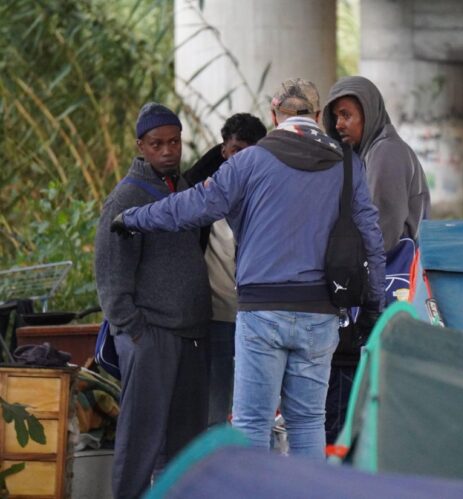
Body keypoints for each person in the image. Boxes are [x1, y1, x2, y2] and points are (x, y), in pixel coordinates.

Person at [110, 78, 385, 459]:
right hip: (321, 312)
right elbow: (371, 238)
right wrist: (373, 305)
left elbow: (194, 206)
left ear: (274, 115)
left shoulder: (250, 161)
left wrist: (135, 218)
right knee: (307, 422)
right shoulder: (348, 165)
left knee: (252, 422)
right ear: (318, 116)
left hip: (262, 312)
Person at [94, 102, 211, 499]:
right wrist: (135, 331)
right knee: (141, 438)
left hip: (190, 333)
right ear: (140, 146)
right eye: (157, 144)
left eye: (174, 142)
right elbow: (111, 274)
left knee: (185, 442)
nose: (167, 151)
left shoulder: (182, 191)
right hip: (151, 336)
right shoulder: (127, 197)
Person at [321, 75, 431, 444]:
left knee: (352, 394)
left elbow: (380, 237)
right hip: (381, 291)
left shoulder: (385, 153)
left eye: (347, 115)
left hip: (380, 292)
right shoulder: (370, 153)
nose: (339, 124)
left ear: (368, 113)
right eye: (335, 116)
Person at [183, 113, 267, 426]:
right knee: (216, 398)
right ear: (224, 150)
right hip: (217, 311)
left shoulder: (268, 191)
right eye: (235, 150)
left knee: (258, 402)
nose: (241, 159)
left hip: (259, 312)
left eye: (249, 152)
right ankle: (217, 461)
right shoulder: (204, 191)